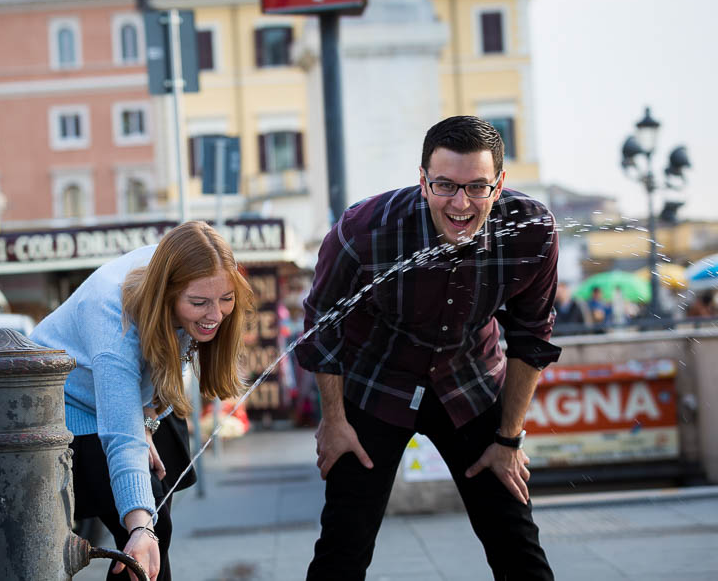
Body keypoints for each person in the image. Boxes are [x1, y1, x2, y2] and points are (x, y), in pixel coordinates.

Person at [293, 116, 560, 580]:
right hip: (376, 385)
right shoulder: (364, 229)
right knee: (344, 545)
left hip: (470, 383)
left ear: (499, 184)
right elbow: (322, 326)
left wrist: (508, 438)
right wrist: (333, 421)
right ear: (422, 180)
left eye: (477, 187)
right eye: (445, 185)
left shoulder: (532, 231)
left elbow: (531, 335)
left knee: (516, 543)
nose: (461, 203)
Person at [30, 221, 254, 581]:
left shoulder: (191, 272)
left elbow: (159, 369)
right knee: (146, 530)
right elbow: (120, 435)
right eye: (199, 303)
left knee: (155, 526)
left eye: (226, 300)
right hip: (66, 406)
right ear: (167, 293)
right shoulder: (111, 315)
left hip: (126, 402)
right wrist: (139, 525)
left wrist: (149, 419)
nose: (215, 315)